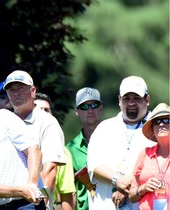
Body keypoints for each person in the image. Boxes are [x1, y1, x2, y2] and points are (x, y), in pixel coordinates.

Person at [87, 76, 156, 210]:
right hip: (105, 205)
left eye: (136, 98)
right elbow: (94, 165)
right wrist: (117, 179)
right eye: (126, 98)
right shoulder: (104, 128)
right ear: (119, 101)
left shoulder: (158, 128)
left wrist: (128, 185)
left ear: (147, 100)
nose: (131, 103)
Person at [4, 70, 66, 210]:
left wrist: (38, 201)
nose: (16, 93)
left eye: (20, 88)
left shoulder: (47, 122)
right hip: (6, 201)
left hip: (33, 202)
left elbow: (50, 168)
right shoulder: (4, 122)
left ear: (32, 91)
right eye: (11, 89)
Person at [35, 92, 76, 210]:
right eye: (38, 109)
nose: (43, 114)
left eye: (46, 110)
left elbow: (66, 195)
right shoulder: (18, 145)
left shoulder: (62, 152)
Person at [66, 87, 103, 210]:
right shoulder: (70, 149)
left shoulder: (115, 141)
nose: (90, 110)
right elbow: (69, 192)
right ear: (77, 112)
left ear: (101, 108)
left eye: (94, 105)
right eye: (85, 107)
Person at [129, 103, 170, 209]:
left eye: (166, 120)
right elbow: (132, 196)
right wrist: (144, 188)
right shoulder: (144, 154)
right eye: (157, 122)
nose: (161, 124)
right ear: (152, 129)